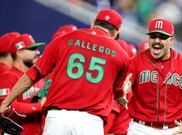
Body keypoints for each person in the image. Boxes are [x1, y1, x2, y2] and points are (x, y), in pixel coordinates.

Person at [0, 9, 128, 135]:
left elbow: (32, 75)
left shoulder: (65, 39)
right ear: (117, 32)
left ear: (94, 22)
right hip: (90, 122)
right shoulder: (122, 56)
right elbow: (118, 92)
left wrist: (6, 102)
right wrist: (122, 95)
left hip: (58, 118)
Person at [120, 18, 182, 135]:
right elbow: (127, 83)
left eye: (162, 37)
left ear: (172, 40)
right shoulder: (135, 61)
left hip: (172, 130)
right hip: (139, 128)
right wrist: (123, 89)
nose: (156, 40)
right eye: (153, 36)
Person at [0, 33, 46, 135]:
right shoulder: (9, 76)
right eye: (32, 49)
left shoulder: (40, 79)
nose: (37, 52)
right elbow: (5, 106)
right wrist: (39, 106)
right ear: (19, 52)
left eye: (37, 49)